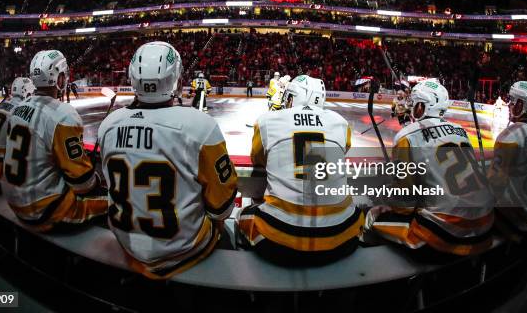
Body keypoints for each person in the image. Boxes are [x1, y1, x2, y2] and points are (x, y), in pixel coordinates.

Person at [98, 41, 237, 279]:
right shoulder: (199, 125)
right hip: (184, 249)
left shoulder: (109, 124)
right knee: (228, 235)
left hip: (126, 240)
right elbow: (222, 206)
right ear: (178, 79)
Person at [236, 75, 363, 265]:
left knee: (241, 215)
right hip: (342, 234)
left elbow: (258, 159)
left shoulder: (267, 121)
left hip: (280, 239)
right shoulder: (340, 123)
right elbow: (342, 150)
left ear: (291, 97)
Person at [364, 81, 494, 257]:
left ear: (422, 106)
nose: (410, 106)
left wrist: (387, 201)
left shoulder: (407, 136)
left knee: (373, 216)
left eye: (414, 102)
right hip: (486, 226)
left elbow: (405, 203)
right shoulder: (461, 131)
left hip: (447, 236)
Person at [1, 50, 107, 232]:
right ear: (59, 79)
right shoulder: (63, 115)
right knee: (116, 201)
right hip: (44, 210)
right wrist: (97, 180)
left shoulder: (18, 108)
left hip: (14, 200)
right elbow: (82, 183)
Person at [488, 81, 527, 237]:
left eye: (512, 101)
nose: (509, 105)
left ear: (520, 104)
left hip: (518, 219)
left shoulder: (509, 136)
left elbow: (495, 183)